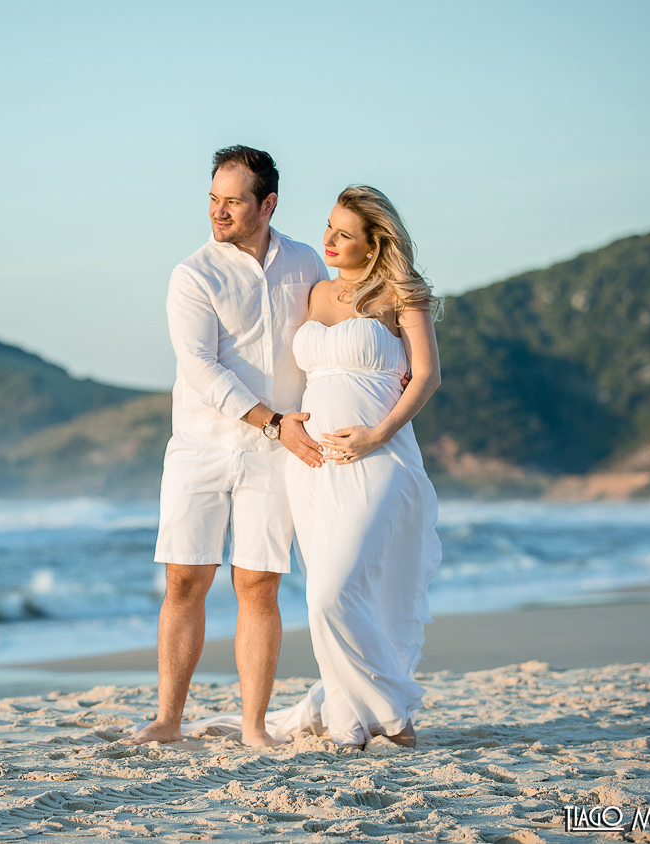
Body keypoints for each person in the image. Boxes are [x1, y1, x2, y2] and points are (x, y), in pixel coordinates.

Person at [127, 145, 329, 747]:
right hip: (201, 445)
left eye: (233, 201)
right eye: (213, 199)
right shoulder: (193, 273)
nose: (219, 211)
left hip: (276, 451)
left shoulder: (305, 263)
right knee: (186, 579)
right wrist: (273, 420)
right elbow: (200, 367)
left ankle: (252, 727)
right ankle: (167, 721)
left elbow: (329, 334)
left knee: (259, 584)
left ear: (268, 204)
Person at [284, 185, 443, 747]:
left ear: (375, 243)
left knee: (334, 592)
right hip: (312, 468)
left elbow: (425, 375)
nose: (328, 240)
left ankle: (395, 713)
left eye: (344, 233)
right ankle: (349, 722)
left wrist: (378, 432)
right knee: (325, 594)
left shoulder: (402, 294)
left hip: (381, 459)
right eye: (327, 226)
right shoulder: (316, 295)